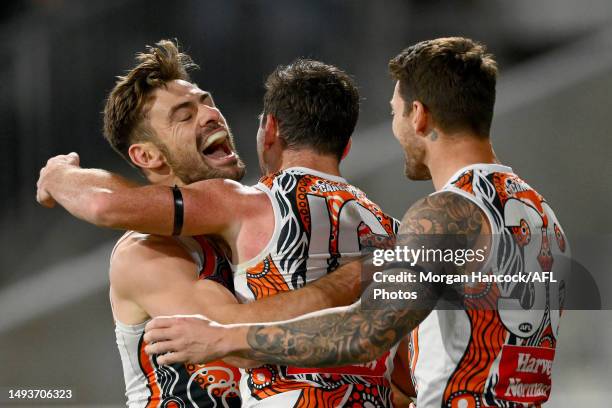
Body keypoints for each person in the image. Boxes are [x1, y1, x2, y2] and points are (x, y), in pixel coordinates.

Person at [139, 37, 569, 407]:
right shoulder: (543, 217)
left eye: (396, 113)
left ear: (418, 115)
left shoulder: (447, 214)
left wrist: (222, 338)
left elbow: (365, 330)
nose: (397, 128)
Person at [37, 57, 404, 406]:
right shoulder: (149, 252)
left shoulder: (251, 230)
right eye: (186, 115)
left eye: (207, 102)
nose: (211, 115)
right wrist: (352, 280)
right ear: (148, 156)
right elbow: (238, 345)